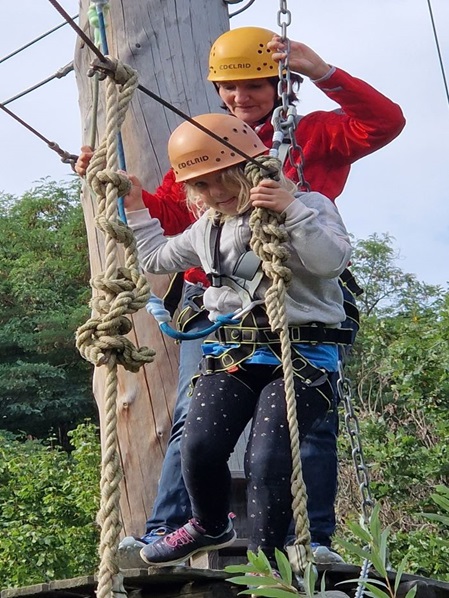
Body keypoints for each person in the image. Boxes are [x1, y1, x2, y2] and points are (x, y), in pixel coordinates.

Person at [75, 26, 405, 562]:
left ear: (280, 84)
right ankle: (175, 525)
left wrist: (321, 71)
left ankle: (309, 540)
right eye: (229, 87)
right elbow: (174, 221)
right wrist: (125, 194)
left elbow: (384, 123)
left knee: (302, 427)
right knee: (195, 422)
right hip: (225, 310)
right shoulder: (204, 148)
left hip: (301, 300)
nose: (239, 97)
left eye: (253, 85)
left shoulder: (311, 137)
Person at [120, 112, 353, 567]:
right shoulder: (208, 227)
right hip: (234, 354)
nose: (216, 193)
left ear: (250, 168)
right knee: (199, 445)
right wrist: (135, 205)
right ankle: (209, 523)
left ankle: (267, 563)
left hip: (301, 355)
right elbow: (155, 257)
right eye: (202, 186)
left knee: (267, 457)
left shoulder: (310, 205)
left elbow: (330, 262)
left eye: (225, 179)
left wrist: (290, 209)